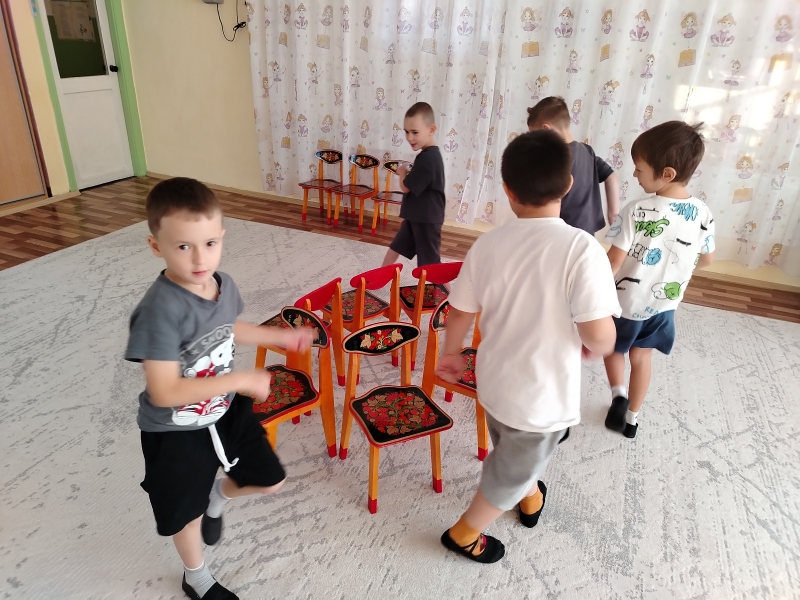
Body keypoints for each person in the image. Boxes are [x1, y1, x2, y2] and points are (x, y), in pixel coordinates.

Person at [436, 131, 621, 563]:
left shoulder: (487, 244)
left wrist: (451, 352)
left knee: (512, 448)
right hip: (540, 397)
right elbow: (599, 335)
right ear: (569, 184)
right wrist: (599, 343)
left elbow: (460, 311)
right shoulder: (582, 249)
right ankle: (464, 532)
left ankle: (530, 491)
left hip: (495, 381)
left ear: (507, 190)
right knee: (508, 471)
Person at [125, 178, 313, 599]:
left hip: (224, 411)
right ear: (156, 246)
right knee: (185, 516)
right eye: (183, 246)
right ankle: (197, 578)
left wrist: (277, 337)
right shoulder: (159, 312)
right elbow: (164, 391)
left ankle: (218, 493)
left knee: (270, 479)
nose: (199, 259)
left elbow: (228, 329)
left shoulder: (222, 283)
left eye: (210, 243)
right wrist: (241, 380)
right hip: (175, 429)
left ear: (222, 237)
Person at [603, 121, 715, 439]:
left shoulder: (636, 210)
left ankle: (619, 395)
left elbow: (614, 261)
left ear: (666, 173)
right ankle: (632, 420)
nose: (634, 174)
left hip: (626, 302)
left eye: (639, 169)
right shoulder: (703, 213)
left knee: (613, 348)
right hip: (664, 304)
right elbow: (707, 259)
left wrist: (593, 292)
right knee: (642, 356)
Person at [527, 96, 620, 234]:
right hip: (587, 229)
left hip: (563, 231)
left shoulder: (554, 157)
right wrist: (613, 213)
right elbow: (611, 176)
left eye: (534, 136)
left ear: (546, 129)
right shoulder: (587, 151)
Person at [382, 102, 446, 268]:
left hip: (426, 220)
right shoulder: (427, 155)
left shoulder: (428, 158)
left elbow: (406, 187)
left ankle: (447, 286)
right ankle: (379, 275)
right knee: (397, 246)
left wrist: (402, 171)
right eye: (406, 132)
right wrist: (408, 215)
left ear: (431, 130)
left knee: (430, 263)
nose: (409, 137)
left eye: (415, 132)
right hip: (417, 216)